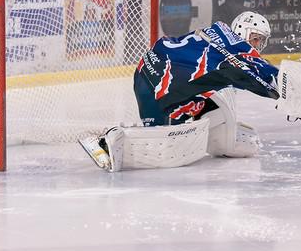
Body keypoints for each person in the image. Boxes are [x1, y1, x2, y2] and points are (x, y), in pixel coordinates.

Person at [80, 11, 279, 172]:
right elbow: (264, 74)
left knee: (165, 127)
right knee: (178, 143)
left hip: (146, 72)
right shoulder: (237, 48)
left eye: (260, 41)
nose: (257, 45)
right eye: (255, 38)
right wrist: (283, 87)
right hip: (166, 83)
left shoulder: (216, 31)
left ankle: (117, 139)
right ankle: (111, 140)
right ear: (242, 31)